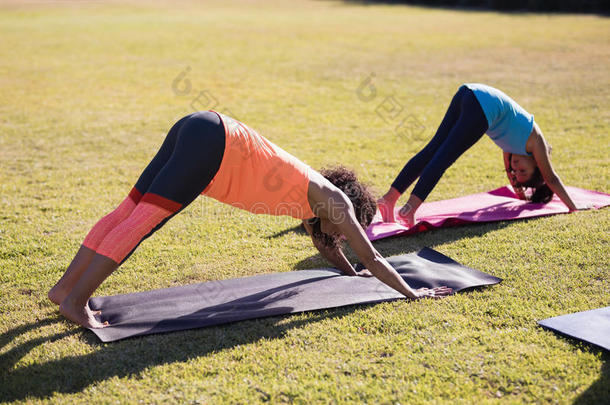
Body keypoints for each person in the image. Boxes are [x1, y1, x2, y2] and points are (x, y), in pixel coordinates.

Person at [49, 110, 452, 328]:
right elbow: (375, 259)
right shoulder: (336, 205)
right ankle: (77, 301)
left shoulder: (316, 205)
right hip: (215, 147)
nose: (342, 237)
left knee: (128, 211)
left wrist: (349, 273)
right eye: (348, 233)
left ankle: (65, 288)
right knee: (141, 222)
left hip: (200, 125)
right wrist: (413, 293)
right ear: (349, 214)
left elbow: (327, 247)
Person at [377, 83, 579, 225]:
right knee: (442, 157)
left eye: (517, 172)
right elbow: (551, 178)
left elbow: (510, 173)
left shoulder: (515, 148)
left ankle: (389, 199)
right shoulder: (537, 143)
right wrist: (573, 207)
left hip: (469, 92)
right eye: (523, 170)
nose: (515, 169)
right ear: (537, 164)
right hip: (481, 105)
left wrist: (521, 194)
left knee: (433, 151)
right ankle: (410, 208)